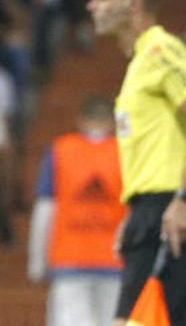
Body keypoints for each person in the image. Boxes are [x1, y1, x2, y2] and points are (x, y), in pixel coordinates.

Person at [86, 0, 186, 326]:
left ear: (133, 3)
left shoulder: (161, 50)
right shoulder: (139, 64)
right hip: (150, 211)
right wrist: (137, 214)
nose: (92, 6)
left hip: (169, 210)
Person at [27, 95, 126, 326]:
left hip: (69, 257)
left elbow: (45, 210)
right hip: (115, 259)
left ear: (80, 120)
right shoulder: (125, 153)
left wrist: (37, 261)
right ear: (112, 122)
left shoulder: (60, 150)